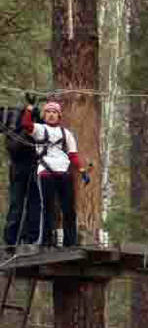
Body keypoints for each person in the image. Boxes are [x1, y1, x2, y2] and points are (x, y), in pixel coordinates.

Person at [20, 100, 87, 247]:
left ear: (59, 116)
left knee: (68, 209)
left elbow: (73, 155)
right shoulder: (39, 129)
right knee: (48, 208)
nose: (51, 115)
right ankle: (46, 241)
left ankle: (70, 242)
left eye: (54, 112)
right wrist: (30, 109)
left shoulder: (66, 134)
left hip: (63, 172)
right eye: (48, 112)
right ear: (44, 115)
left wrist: (82, 170)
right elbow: (26, 124)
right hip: (45, 172)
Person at [2, 106, 42, 248]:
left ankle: (28, 238)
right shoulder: (11, 116)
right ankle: (11, 240)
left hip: (35, 166)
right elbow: (14, 145)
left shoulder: (40, 120)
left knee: (33, 204)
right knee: (17, 204)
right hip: (19, 166)